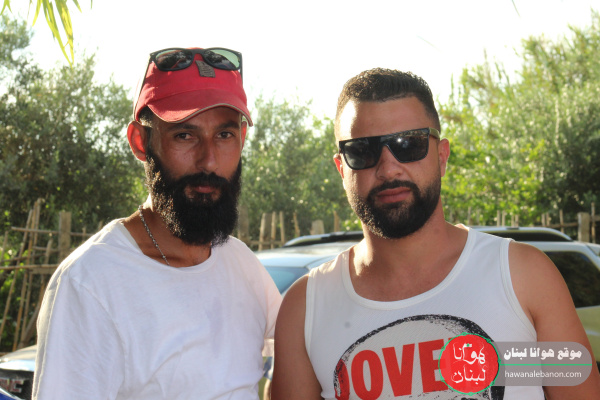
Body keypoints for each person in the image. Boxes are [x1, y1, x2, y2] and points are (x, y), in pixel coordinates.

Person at [271, 68, 600, 399]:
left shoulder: (522, 276)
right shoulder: (305, 309)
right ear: (342, 169)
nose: (388, 168)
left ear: (442, 157)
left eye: (409, 144)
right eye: (361, 151)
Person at [33, 47, 282, 399]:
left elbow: (303, 356)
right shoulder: (90, 283)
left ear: (241, 139)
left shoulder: (241, 264)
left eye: (224, 135)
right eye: (185, 135)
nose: (209, 161)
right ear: (141, 142)